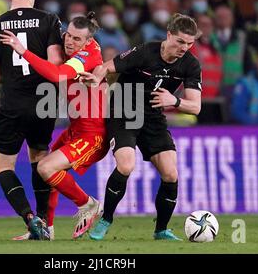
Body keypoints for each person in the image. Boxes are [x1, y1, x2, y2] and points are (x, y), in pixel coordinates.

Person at [80, 13, 202, 241]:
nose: (184, 48)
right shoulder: (145, 52)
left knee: (171, 173)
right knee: (126, 165)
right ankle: (106, 218)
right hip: (125, 109)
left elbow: (195, 107)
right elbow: (106, 67)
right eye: (180, 42)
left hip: (153, 117)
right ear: (168, 35)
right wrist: (97, 80)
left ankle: (161, 230)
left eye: (189, 43)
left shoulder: (191, 64)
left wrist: (174, 101)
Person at [0, 12, 109, 239]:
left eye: (76, 39)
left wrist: (23, 50)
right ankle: (46, 229)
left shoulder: (87, 55)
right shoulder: (77, 45)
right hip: (75, 130)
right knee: (45, 169)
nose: (69, 41)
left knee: (46, 168)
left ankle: (88, 204)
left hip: (93, 135)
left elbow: (58, 74)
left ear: (88, 42)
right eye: (67, 35)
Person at [0, 0, 64, 240]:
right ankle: (45, 222)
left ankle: (29, 218)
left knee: (3, 166)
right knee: (39, 159)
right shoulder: (49, 20)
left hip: (14, 103)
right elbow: (55, 63)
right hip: (45, 101)